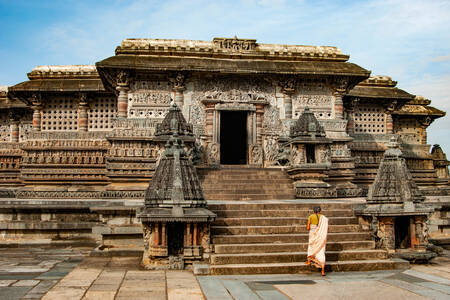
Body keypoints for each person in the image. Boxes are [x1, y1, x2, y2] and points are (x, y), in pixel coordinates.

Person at [304, 206, 328, 276]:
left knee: (311, 247)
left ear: (313, 211)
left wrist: (313, 229)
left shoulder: (311, 216)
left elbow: (308, 227)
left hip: (312, 234)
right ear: (320, 211)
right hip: (321, 236)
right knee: (321, 250)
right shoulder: (324, 218)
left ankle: (309, 261)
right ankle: (323, 270)